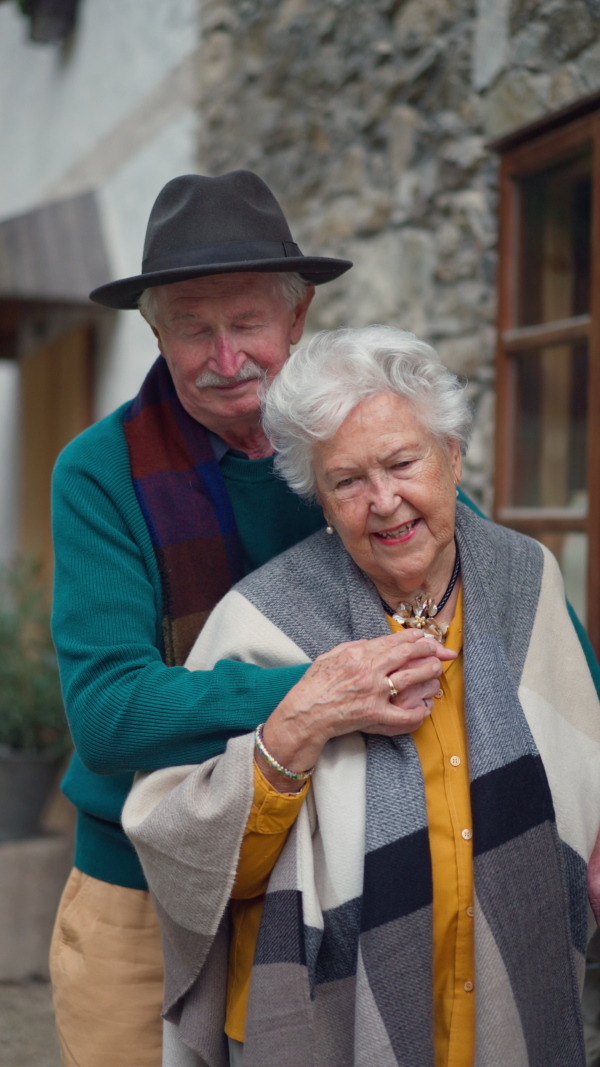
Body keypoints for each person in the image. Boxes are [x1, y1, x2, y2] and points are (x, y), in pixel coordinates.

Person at [50, 173, 460, 1067]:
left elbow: (486, 576)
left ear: (298, 315)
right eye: (193, 326)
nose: (224, 356)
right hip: (141, 885)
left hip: (332, 869)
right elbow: (110, 713)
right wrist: (316, 696)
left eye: (247, 323)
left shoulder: (346, 445)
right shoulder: (99, 473)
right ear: (156, 331)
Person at [124, 326, 600, 1067]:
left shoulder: (523, 578)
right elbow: (203, 872)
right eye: (347, 480)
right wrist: (302, 723)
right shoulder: (263, 618)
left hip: (507, 998)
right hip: (333, 1019)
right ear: (319, 497)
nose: (383, 501)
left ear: (452, 454)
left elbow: (582, 753)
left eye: (404, 462)